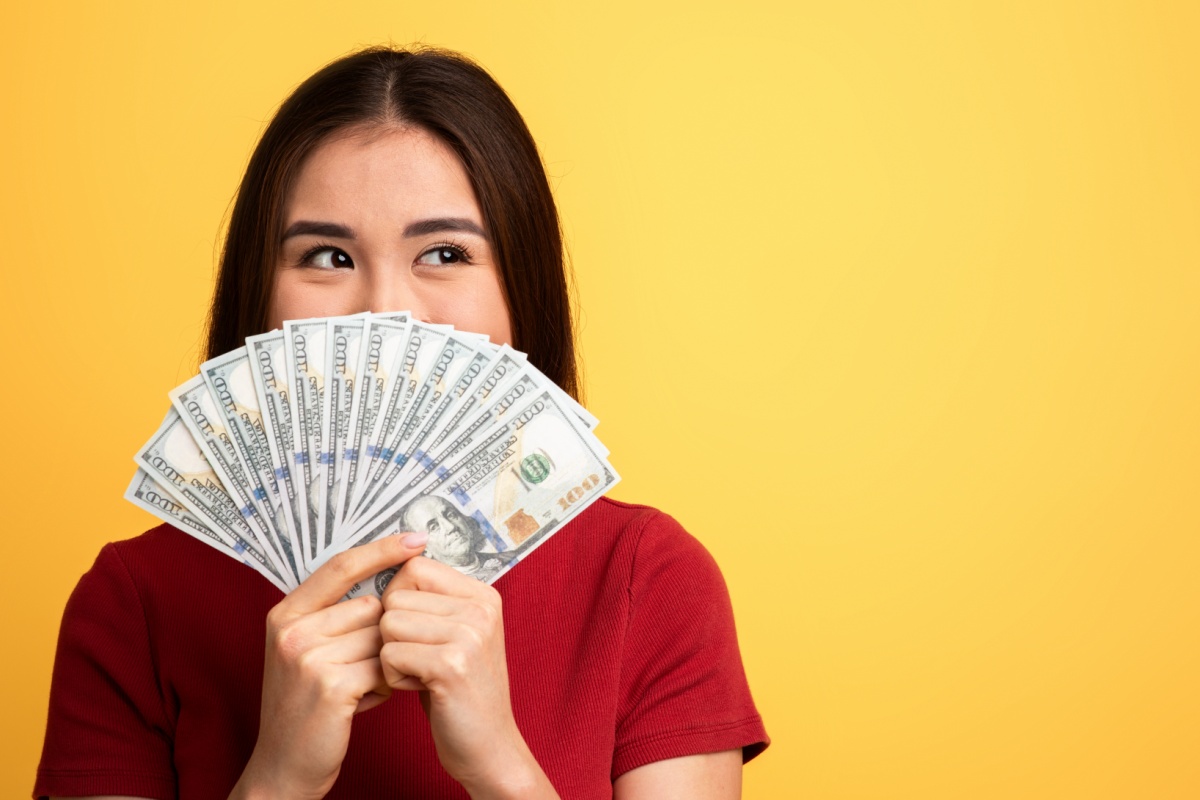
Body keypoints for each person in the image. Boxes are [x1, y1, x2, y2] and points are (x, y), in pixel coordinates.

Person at [35, 46, 768, 799]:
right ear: (258, 293)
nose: (386, 312)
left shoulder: (650, 581)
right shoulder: (135, 601)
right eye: (327, 255)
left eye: (445, 252)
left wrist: (498, 763)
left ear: (523, 290)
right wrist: (279, 777)